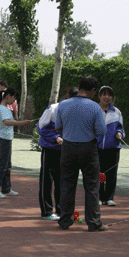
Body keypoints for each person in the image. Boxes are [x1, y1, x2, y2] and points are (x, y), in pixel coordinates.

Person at [55, 76, 108, 232]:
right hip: (88, 148)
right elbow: (101, 130)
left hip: (68, 147)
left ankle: (65, 220)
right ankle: (93, 222)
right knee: (92, 186)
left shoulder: (63, 104)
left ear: (79, 87)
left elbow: (58, 126)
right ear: (93, 90)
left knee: (67, 185)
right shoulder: (95, 107)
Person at [37, 88, 78, 220]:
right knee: (47, 181)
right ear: (67, 96)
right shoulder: (53, 109)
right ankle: (46, 211)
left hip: (65, 151)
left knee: (62, 181)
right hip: (50, 149)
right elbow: (41, 127)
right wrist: (55, 138)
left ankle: (61, 210)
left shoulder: (77, 112)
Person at [0, 87, 33, 198]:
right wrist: (21, 123)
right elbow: (7, 122)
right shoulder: (2, 109)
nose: (14, 101)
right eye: (14, 98)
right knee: (2, 165)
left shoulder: (5, 108)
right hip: (4, 138)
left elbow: (10, 121)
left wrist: (20, 122)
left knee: (7, 165)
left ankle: (6, 189)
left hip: (7, 138)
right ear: (8, 96)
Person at [97, 86, 125, 207]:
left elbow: (121, 128)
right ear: (99, 96)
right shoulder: (95, 110)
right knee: (100, 174)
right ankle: (99, 196)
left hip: (113, 148)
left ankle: (109, 197)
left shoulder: (116, 112)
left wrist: (119, 133)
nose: (107, 97)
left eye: (109, 95)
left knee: (111, 174)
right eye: (104, 94)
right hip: (97, 148)